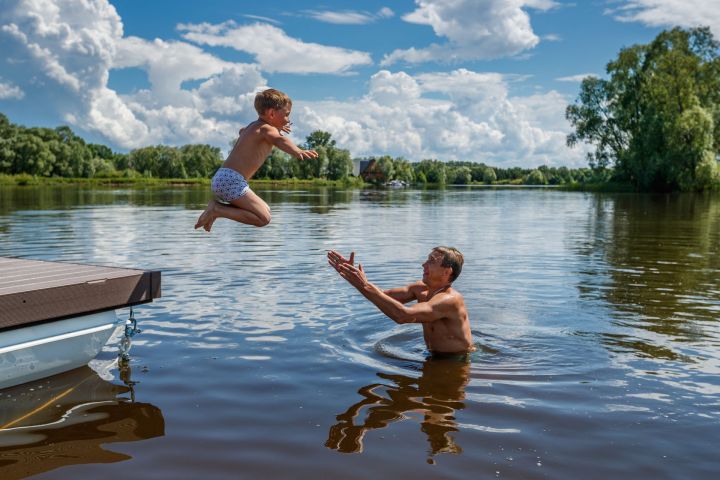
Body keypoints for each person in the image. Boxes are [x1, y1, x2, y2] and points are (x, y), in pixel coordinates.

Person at [194, 88, 318, 232]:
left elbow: (242, 131)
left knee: (266, 209)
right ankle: (217, 209)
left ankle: (217, 211)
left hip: (223, 177)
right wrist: (297, 151)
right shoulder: (267, 129)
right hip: (231, 181)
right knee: (263, 218)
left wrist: (277, 126)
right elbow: (279, 140)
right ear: (271, 113)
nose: (288, 120)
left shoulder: (254, 127)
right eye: (286, 114)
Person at [327, 247, 475, 355]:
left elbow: (404, 315)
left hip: (456, 361)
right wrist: (353, 277)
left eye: (431, 261)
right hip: (431, 355)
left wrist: (365, 285)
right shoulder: (420, 288)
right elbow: (382, 297)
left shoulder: (450, 299)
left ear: (446, 271)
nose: (423, 264)